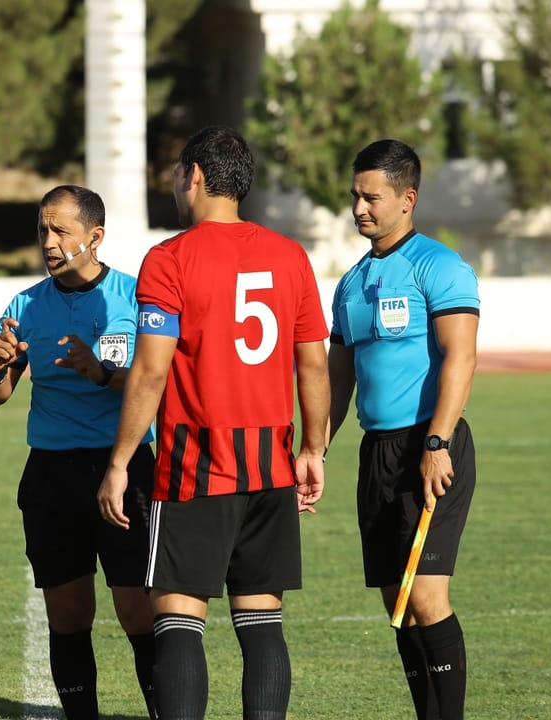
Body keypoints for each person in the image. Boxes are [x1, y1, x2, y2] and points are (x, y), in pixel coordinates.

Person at [97, 126, 330, 719]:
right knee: (261, 622)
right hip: (271, 463)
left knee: (177, 617)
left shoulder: (169, 258)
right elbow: (313, 364)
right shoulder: (290, 255)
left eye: (177, 174)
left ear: (194, 176)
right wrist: (313, 449)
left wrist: (120, 463)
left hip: (195, 466)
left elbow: (150, 371)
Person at [0, 185, 158, 720]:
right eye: (42, 230)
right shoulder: (25, 304)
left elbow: (158, 383)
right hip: (52, 474)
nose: (48, 242)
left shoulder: (135, 298)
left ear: (95, 236)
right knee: (69, 613)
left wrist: (101, 373)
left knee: (138, 611)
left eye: (60, 230)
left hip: (124, 468)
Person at [329, 139, 478, 720]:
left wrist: (438, 443)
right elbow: (339, 380)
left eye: (373, 197)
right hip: (378, 453)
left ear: (407, 198)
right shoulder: (349, 285)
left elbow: (460, 359)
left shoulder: (439, 266)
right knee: (397, 603)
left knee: (427, 596)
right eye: (356, 196)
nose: (360, 207)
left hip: (431, 443)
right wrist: (313, 448)